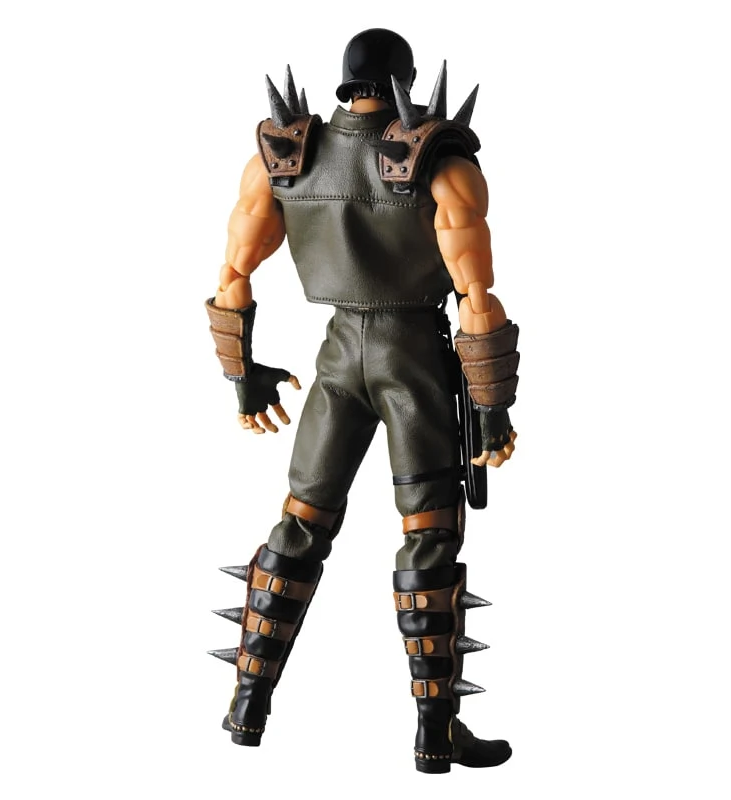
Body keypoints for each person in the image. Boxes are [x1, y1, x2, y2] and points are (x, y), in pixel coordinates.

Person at [205, 28, 519, 773]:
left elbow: (232, 273)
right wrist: (493, 407)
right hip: (413, 362)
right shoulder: (441, 162)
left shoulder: (284, 158)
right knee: (430, 533)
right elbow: (476, 295)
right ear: (405, 77)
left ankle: (247, 706)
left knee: (301, 522)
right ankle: (436, 732)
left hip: (339, 360)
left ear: (344, 83)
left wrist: (242, 373)